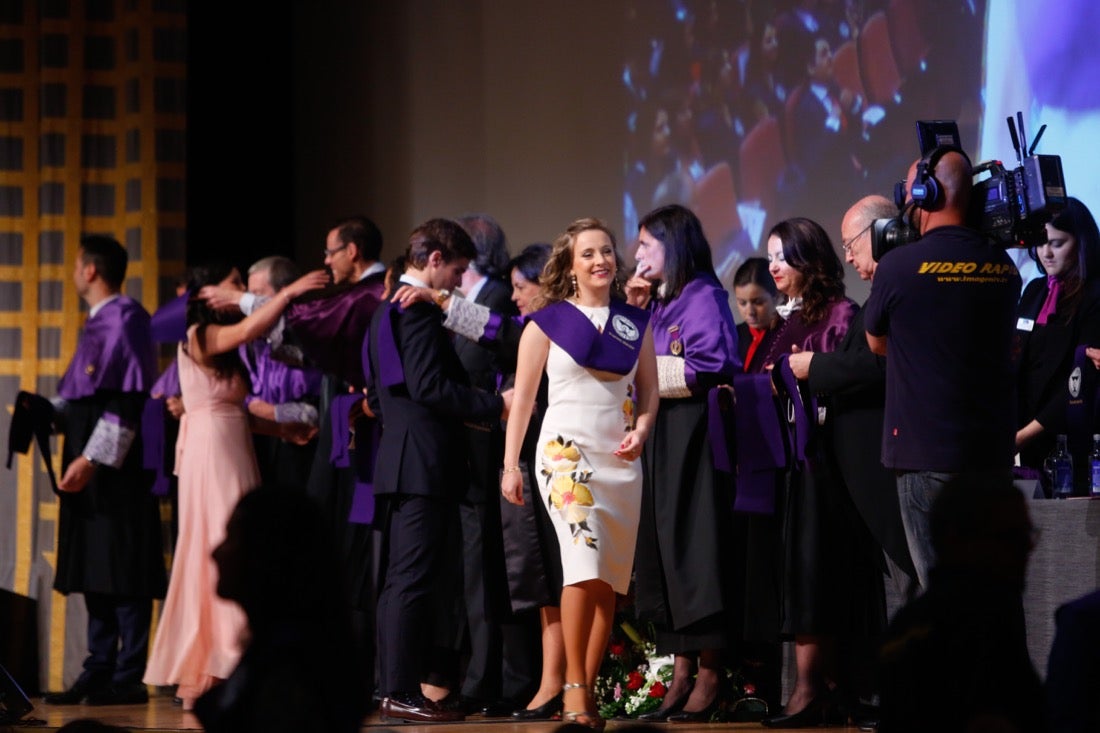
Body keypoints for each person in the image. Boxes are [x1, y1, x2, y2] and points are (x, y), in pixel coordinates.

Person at [143, 262, 326, 709]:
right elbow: (244, 331)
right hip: (211, 458)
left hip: (233, 449)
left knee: (244, 541)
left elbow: (235, 413)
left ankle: (217, 665)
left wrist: (282, 431)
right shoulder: (199, 336)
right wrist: (289, 292)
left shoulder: (226, 350)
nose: (238, 291)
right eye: (233, 284)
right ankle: (221, 658)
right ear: (206, 294)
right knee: (221, 542)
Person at [501, 217, 659, 730]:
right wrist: (511, 464)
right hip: (565, 454)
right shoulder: (546, 323)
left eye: (607, 251)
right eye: (589, 253)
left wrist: (643, 429)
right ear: (571, 266)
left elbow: (649, 394)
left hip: (619, 456)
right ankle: (571, 687)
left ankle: (586, 692)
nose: (601, 261)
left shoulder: (636, 323)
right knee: (581, 563)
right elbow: (522, 402)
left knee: (608, 582)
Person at [365, 218, 511, 725]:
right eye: (456, 270)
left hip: (400, 458)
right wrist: (496, 404)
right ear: (433, 260)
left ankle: (393, 688)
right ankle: (401, 691)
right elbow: (430, 387)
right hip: (424, 462)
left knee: (398, 582)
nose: (456, 280)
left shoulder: (385, 308)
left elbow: (382, 395)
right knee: (411, 582)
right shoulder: (418, 312)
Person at [785, 195, 917, 726]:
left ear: (881, 234)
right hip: (871, 469)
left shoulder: (900, 286)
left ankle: (912, 701)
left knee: (914, 584)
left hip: (901, 459)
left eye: (851, 245)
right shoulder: (884, 292)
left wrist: (815, 367)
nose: (851, 258)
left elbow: (870, 367)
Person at [864, 147, 1021, 591]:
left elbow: (876, 342)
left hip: (925, 457)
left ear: (924, 194)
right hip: (991, 457)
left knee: (945, 602)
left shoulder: (897, 266)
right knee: (995, 591)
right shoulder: (1004, 267)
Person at [623, 204, 740, 723]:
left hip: (695, 435)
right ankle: (680, 668)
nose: (636, 255)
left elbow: (712, 366)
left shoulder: (704, 297)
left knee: (696, 549)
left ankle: (711, 671)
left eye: (646, 244)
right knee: (663, 550)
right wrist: (633, 308)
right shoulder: (656, 301)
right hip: (661, 438)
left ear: (672, 245)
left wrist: (645, 376)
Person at [42, 235, 165, 707]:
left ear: (90, 270)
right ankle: (98, 666)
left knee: (123, 563)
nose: (74, 272)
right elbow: (82, 393)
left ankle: (127, 673)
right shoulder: (95, 322)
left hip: (117, 469)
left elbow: (127, 397)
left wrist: (91, 459)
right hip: (89, 460)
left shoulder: (127, 317)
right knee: (95, 565)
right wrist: (45, 412)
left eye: (76, 264)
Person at [759, 217, 858, 728]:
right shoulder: (785, 322)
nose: (773, 266)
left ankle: (815, 689)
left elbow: (845, 379)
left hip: (827, 464)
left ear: (809, 260)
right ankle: (816, 688)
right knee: (800, 572)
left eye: (782, 256)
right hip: (790, 465)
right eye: (770, 256)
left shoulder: (842, 315)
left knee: (819, 573)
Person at [193, 487, 367, 733]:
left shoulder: (290, 675)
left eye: (232, 538)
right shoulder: (280, 651)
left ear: (266, 554)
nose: (215, 553)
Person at [878, 480, 1046, 733]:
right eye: (1011, 536)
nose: (1025, 550)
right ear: (957, 539)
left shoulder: (910, 625)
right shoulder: (973, 629)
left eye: (1028, 535)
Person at [444, 213, 528, 715]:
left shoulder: (494, 295)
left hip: (490, 450)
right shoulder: (471, 300)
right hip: (471, 454)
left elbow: (479, 361)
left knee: (493, 573)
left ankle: (492, 681)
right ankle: (479, 675)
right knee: (477, 574)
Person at [1013, 198, 1100, 488]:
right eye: (1041, 243)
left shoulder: (1094, 297)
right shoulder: (1035, 290)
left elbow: (1080, 379)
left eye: (1057, 243)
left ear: (1082, 243)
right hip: (1028, 442)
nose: (1046, 253)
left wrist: (1024, 434)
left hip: (1074, 441)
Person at [239, 256, 323, 491]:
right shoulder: (249, 337)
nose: (249, 303)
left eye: (257, 294)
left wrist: (274, 411)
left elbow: (323, 402)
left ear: (286, 292)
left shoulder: (307, 332)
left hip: (303, 442)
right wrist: (253, 406)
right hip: (260, 437)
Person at [732, 257, 782, 374]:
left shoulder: (787, 332)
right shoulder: (733, 336)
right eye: (742, 303)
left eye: (758, 302)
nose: (750, 311)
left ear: (776, 296)